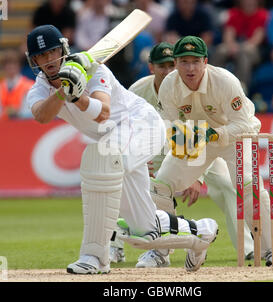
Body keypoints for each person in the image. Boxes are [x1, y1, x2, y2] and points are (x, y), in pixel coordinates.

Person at [25, 25, 219, 274]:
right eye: (41, 56)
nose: (48, 60)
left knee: (101, 159)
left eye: (52, 52)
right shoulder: (41, 87)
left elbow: (104, 112)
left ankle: (94, 256)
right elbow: (42, 115)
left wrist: (79, 97)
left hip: (141, 126)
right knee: (144, 231)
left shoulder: (93, 69)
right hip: (115, 140)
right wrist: (65, 91)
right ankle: (201, 233)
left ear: (62, 49)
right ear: (34, 61)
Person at [108, 42, 255, 267]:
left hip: (207, 139)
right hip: (170, 146)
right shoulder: (138, 90)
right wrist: (138, 160)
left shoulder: (211, 82)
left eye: (170, 66)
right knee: (148, 187)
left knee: (227, 186)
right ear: (151, 67)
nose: (169, 71)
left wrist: (197, 177)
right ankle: (153, 251)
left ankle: (250, 249)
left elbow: (196, 132)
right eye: (163, 66)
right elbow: (127, 127)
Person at [155, 36, 273, 267]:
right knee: (161, 186)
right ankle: (160, 251)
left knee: (249, 186)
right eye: (184, 62)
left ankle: (272, 251)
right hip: (195, 138)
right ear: (175, 63)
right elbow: (171, 126)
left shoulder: (225, 81)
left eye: (195, 61)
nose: (190, 68)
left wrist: (214, 134)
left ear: (205, 61)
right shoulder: (169, 86)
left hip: (234, 137)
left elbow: (245, 124)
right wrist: (193, 172)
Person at [213, 0, 268, 87]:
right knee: (221, 50)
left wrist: (239, 48)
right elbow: (228, 34)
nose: (249, 2)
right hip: (236, 45)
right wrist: (231, 46)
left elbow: (257, 39)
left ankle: (241, 87)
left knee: (244, 52)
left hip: (254, 49)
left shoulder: (263, 15)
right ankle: (214, 83)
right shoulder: (233, 13)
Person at [0, 49, 35, 120]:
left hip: (23, 126)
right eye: (7, 64)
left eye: (14, 63)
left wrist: (15, 113)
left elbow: (28, 112)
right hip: (2, 126)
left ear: (19, 66)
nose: (11, 67)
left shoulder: (29, 86)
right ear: (3, 67)